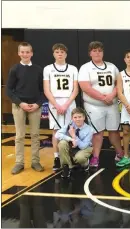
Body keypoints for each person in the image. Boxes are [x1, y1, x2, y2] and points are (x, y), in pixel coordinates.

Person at [78, 41, 123, 168]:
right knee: (97, 133)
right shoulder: (85, 68)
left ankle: (120, 153)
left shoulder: (112, 66)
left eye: (99, 50)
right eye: (94, 50)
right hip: (94, 106)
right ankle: (95, 157)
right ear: (90, 53)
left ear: (103, 52)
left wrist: (111, 95)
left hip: (112, 104)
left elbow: (118, 84)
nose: (97, 53)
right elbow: (85, 87)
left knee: (114, 131)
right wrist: (103, 97)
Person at [6, 42, 46, 174]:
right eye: (22, 52)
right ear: (19, 53)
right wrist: (20, 103)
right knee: (20, 136)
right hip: (19, 106)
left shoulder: (38, 70)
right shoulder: (14, 69)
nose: (25, 54)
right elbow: (9, 90)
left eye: (27, 52)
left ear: (32, 53)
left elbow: (43, 91)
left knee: (35, 135)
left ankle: (35, 161)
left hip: (35, 106)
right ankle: (19, 162)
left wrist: (37, 104)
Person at [43, 43, 79, 171]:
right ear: (53, 54)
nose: (60, 54)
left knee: (71, 129)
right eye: (57, 52)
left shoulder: (73, 69)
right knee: (56, 131)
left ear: (66, 54)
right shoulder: (47, 69)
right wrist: (57, 104)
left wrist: (66, 104)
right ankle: (57, 158)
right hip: (55, 102)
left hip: (69, 101)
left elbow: (75, 90)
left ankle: (68, 156)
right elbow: (46, 90)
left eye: (62, 52)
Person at [55, 107, 93, 178]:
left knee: (79, 158)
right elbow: (57, 134)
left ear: (84, 117)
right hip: (72, 146)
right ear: (72, 118)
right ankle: (66, 167)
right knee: (62, 143)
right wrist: (71, 139)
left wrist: (74, 136)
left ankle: (85, 164)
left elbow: (83, 146)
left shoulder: (89, 129)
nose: (77, 119)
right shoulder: (70, 125)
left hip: (84, 148)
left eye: (80, 117)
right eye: (75, 117)